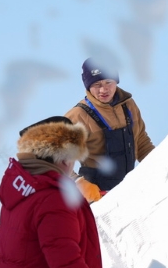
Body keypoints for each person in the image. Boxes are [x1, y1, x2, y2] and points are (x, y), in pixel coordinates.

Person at [0, 116, 124, 268]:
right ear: (63, 157)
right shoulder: (53, 198)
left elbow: (38, 252)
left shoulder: (24, 189)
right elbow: (65, 263)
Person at [65, 58, 155, 202]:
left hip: (128, 190)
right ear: (88, 86)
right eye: (96, 84)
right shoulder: (77, 116)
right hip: (95, 197)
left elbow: (141, 141)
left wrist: (158, 167)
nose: (103, 89)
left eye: (108, 82)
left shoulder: (128, 105)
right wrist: (79, 184)